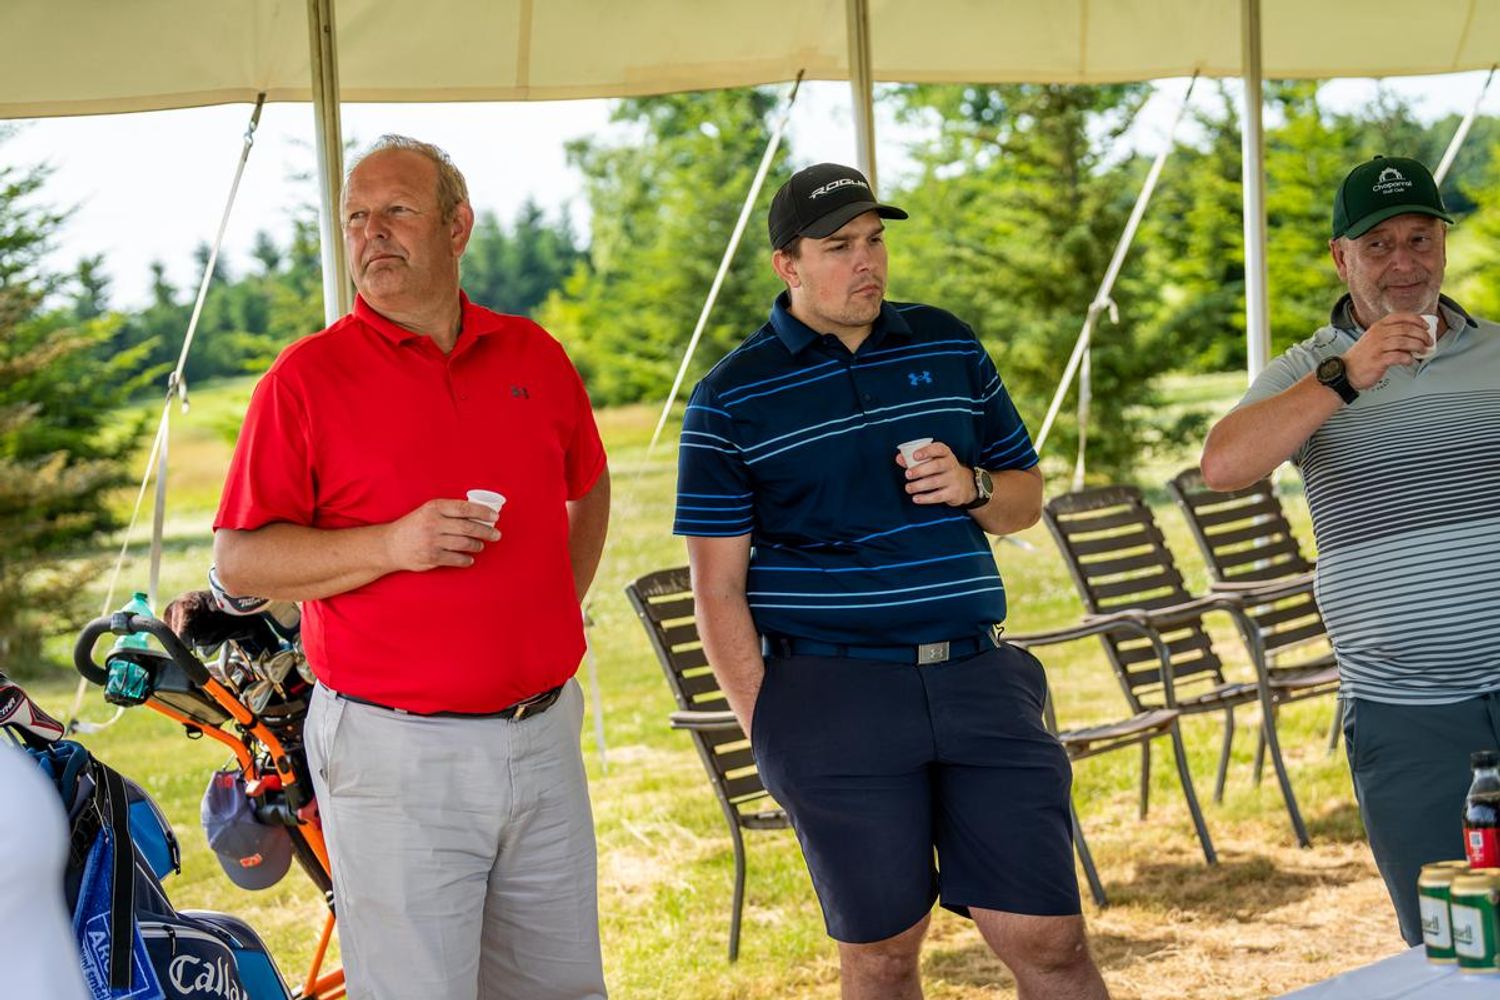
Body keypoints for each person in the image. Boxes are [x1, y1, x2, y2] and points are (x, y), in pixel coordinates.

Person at [675, 162, 1108, 1000]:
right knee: (881, 956)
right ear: (788, 265)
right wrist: (770, 728)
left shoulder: (947, 343)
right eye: (839, 246)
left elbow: (1023, 501)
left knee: (1051, 941)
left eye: (874, 241)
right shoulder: (730, 399)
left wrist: (973, 485)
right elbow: (717, 590)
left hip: (979, 677)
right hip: (832, 699)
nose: (866, 262)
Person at [213, 135, 611, 1000]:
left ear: (456, 226)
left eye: (396, 210)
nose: (372, 234)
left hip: (543, 735)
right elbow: (240, 561)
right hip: (395, 753)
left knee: (560, 988)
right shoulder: (304, 380)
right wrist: (391, 544)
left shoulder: (533, 355)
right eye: (356, 217)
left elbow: (589, 483)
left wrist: (554, 605)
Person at [1200, 154, 1500, 946]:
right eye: (1378, 245)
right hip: (1405, 709)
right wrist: (1346, 376)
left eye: (1420, 238)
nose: (1404, 263)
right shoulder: (1310, 370)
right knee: (1451, 941)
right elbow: (1223, 466)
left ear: (1442, 243)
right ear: (1342, 257)